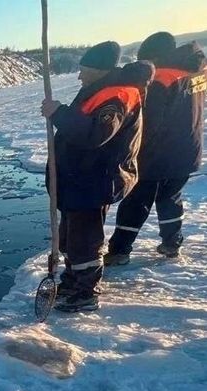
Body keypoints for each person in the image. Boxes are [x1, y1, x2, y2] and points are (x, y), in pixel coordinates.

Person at [41, 41, 153, 312]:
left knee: (85, 240)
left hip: (93, 180)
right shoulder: (100, 90)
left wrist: (59, 113)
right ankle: (73, 280)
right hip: (79, 178)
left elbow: (95, 135)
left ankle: (85, 293)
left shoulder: (117, 96)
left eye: (84, 70)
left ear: (99, 70)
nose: (79, 76)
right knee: (71, 236)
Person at [105, 33, 206, 264]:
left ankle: (120, 250)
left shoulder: (160, 78)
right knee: (170, 196)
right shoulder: (196, 70)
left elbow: (150, 119)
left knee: (136, 199)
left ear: (155, 57)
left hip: (157, 152)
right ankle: (172, 243)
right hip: (188, 149)